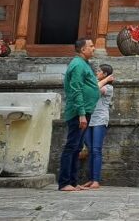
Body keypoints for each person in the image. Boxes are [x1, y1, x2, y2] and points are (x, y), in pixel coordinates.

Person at [57, 38, 100, 192]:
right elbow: (76, 89)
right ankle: (64, 182)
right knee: (71, 147)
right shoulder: (77, 65)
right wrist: (81, 113)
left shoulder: (84, 64)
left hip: (85, 111)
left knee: (77, 148)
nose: (94, 48)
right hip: (78, 112)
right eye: (91, 46)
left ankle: (73, 182)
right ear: (83, 49)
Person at [80, 63, 115, 190]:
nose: (96, 73)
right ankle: (91, 179)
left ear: (105, 74)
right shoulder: (96, 83)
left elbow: (95, 90)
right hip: (89, 119)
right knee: (90, 149)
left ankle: (96, 180)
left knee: (96, 149)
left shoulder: (108, 88)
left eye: (99, 71)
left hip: (100, 120)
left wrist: (105, 80)